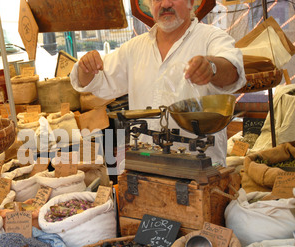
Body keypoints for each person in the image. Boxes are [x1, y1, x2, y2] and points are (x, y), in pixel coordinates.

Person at [70, 0, 246, 167]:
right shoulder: (134, 48)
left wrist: (212, 67)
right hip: (146, 165)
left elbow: (233, 71)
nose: (165, 4)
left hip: (200, 167)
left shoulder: (211, 37)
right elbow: (96, 82)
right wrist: (86, 67)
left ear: (191, 2)